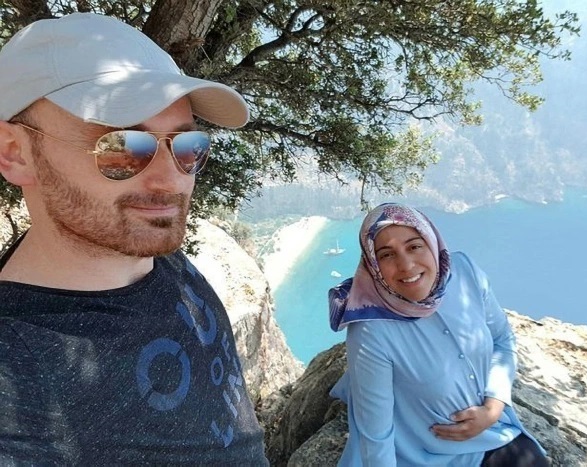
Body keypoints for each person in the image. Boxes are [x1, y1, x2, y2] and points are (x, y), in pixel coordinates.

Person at [0, 13, 269, 465]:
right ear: (14, 153)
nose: (171, 180)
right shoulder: (17, 374)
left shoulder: (152, 251)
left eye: (187, 146)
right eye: (121, 147)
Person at [328, 202, 548, 466]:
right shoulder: (371, 330)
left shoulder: (464, 273)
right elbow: (376, 436)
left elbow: (502, 339)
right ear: (373, 265)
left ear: (431, 243)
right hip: (418, 455)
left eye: (414, 246)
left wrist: (493, 407)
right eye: (387, 255)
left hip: (489, 437)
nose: (406, 265)